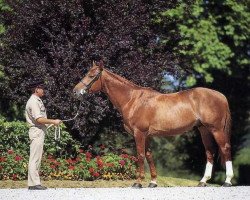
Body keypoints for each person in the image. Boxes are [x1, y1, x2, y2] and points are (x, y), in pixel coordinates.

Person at [25, 79, 62, 190]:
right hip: (36, 131)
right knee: (35, 158)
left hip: (39, 130)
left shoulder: (37, 100)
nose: (44, 90)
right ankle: (33, 184)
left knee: (36, 157)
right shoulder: (34, 102)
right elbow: (39, 119)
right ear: (37, 89)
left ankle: (35, 183)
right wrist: (53, 121)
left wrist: (52, 123)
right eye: (42, 88)